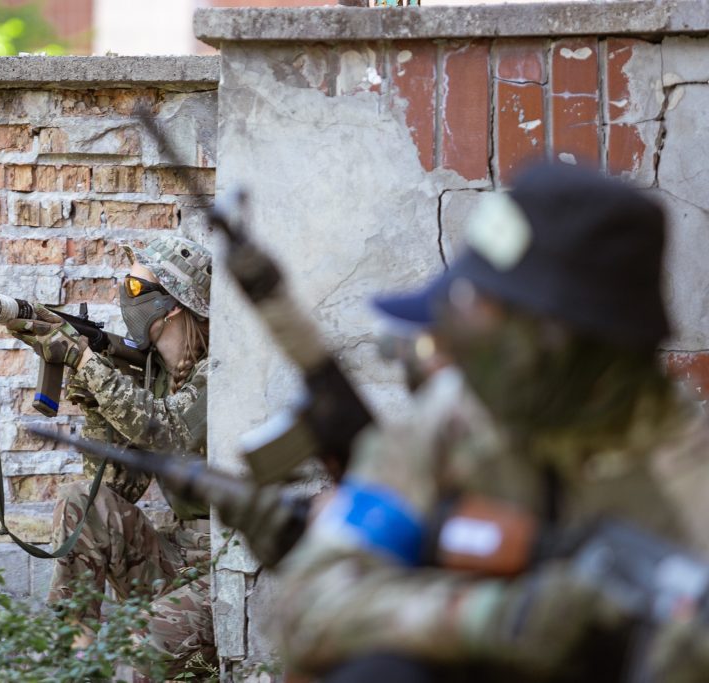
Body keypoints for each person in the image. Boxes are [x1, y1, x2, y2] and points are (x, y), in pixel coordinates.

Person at [274, 164, 709, 682]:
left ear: (551, 339)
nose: (456, 335)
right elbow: (307, 606)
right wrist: (482, 616)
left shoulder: (688, 479)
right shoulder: (452, 421)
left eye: (481, 306)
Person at [6, 235, 216, 677]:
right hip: (174, 555)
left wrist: (90, 366)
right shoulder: (155, 377)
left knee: (129, 656)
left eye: (137, 289)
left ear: (173, 304)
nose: (125, 295)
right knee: (83, 499)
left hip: (223, 566)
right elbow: (116, 490)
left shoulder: (215, 372)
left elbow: (169, 432)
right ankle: (77, 657)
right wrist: (96, 405)